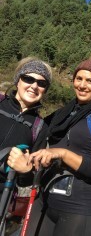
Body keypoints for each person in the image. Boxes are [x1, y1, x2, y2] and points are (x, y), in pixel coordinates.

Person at [20, 57, 91, 236]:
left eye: (90, 80)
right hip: (46, 200)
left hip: (81, 208)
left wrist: (63, 154)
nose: (82, 85)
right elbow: (37, 133)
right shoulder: (61, 115)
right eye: (79, 78)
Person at [0, 56, 52, 233]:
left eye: (41, 83)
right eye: (28, 79)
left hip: (3, 199)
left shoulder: (40, 127)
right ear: (17, 80)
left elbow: (29, 182)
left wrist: (25, 171)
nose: (34, 86)